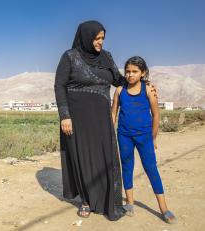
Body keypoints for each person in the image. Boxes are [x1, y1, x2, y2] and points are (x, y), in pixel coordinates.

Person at [54, 20, 128, 220]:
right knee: (82, 158)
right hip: (76, 119)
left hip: (101, 119)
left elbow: (118, 80)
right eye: (97, 38)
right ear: (86, 37)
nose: (100, 42)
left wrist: (141, 82)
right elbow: (59, 86)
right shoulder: (70, 57)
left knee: (105, 158)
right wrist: (65, 116)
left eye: (103, 38)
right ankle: (86, 201)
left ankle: (107, 201)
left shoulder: (106, 57)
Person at [111, 56, 177, 224]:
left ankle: (164, 208)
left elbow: (156, 115)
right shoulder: (119, 90)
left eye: (134, 71)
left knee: (151, 169)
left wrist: (153, 137)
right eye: (127, 71)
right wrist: (110, 133)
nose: (130, 75)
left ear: (143, 73)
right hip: (124, 135)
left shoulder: (148, 90)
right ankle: (130, 203)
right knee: (127, 167)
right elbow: (113, 114)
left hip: (144, 137)